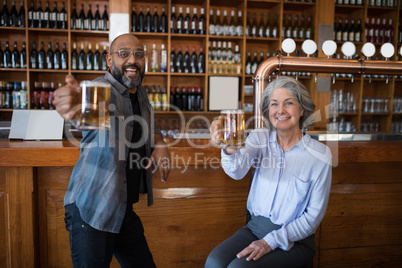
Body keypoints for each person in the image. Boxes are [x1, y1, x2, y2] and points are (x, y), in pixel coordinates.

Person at [53, 34, 170, 267]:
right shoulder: (100, 91)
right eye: (124, 54)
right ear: (109, 60)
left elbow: (152, 127)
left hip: (123, 210)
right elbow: (85, 115)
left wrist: (160, 143)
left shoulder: (141, 95)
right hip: (92, 210)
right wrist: (74, 106)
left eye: (138, 55)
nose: (132, 60)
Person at [206, 76, 332, 268]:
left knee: (239, 267)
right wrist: (229, 148)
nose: (280, 110)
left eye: (288, 103)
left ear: (302, 109)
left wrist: (270, 242)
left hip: (295, 240)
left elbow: (312, 218)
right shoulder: (260, 137)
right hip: (254, 229)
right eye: (274, 104)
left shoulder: (320, 154)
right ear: (268, 110)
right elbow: (237, 171)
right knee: (214, 262)